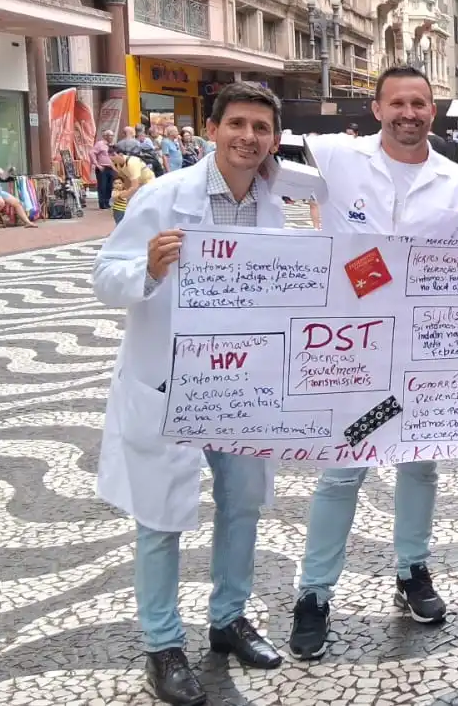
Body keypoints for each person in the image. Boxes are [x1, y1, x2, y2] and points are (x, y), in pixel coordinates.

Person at [91, 82, 289, 706]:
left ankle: (228, 619)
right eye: (237, 124)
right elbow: (104, 277)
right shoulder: (162, 197)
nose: (248, 137)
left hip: (243, 382)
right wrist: (148, 268)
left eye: (261, 127)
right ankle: (162, 643)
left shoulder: (274, 203)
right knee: (160, 517)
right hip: (171, 382)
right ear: (212, 128)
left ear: (274, 139)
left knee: (242, 504)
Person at [288, 66, 458, 660]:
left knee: (419, 465)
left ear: (433, 111)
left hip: (422, 352)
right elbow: (258, 164)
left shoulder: (457, 185)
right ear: (376, 109)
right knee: (343, 467)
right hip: (354, 353)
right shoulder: (338, 159)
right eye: (397, 102)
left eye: (419, 103)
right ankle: (314, 595)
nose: (409, 112)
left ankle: (412, 571)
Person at [111, 151, 155, 225]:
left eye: (113, 159)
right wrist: (124, 193)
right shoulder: (117, 164)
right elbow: (126, 180)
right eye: (111, 160)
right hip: (137, 184)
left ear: (120, 155)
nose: (112, 161)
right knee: (131, 206)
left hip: (148, 183)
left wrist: (123, 195)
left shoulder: (132, 163)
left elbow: (135, 186)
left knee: (144, 206)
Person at [91, 131, 115, 211]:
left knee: (110, 186)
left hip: (110, 168)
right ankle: (102, 203)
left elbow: (114, 155)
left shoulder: (111, 145)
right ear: (105, 136)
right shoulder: (100, 144)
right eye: (110, 136)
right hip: (102, 167)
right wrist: (97, 164)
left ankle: (107, 202)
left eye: (112, 135)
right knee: (102, 186)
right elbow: (92, 153)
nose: (111, 137)